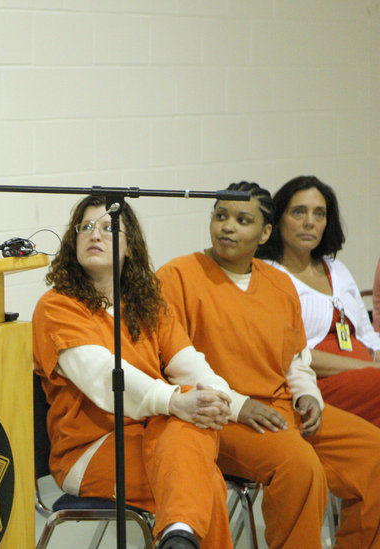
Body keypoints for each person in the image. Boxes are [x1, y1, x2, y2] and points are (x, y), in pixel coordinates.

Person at [157, 181, 380, 549]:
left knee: (373, 453)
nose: (227, 227)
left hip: (281, 409)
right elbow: (176, 360)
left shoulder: (278, 283)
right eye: (220, 216)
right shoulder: (177, 275)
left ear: (264, 233)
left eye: (242, 220)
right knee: (299, 467)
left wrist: (309, 396)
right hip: (220, 415)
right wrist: (239, 406)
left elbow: (295, 361)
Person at [32, 195, 235, 549]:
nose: (95, 234)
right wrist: (176, 401)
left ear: (131, 247)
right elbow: (107, 378)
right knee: (205, 484)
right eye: (86, 227)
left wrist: (216, 396)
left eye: (110, 228)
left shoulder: (148, 304)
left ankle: (178, 535)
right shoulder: (57, 306)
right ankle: (179, 535)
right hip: (90, 450)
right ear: (73, 240)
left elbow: (190, 365)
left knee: (193, 455)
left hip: (156, 434)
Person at [255, 175, 380, 427]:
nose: (310, 222)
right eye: (299, 212)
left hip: (365, 377)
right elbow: (288, 355)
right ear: (277, 220)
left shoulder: (336, 268)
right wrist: (365, 369)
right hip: (311, 386)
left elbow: (367, 336)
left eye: (319, 214)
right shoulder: (266, 275)